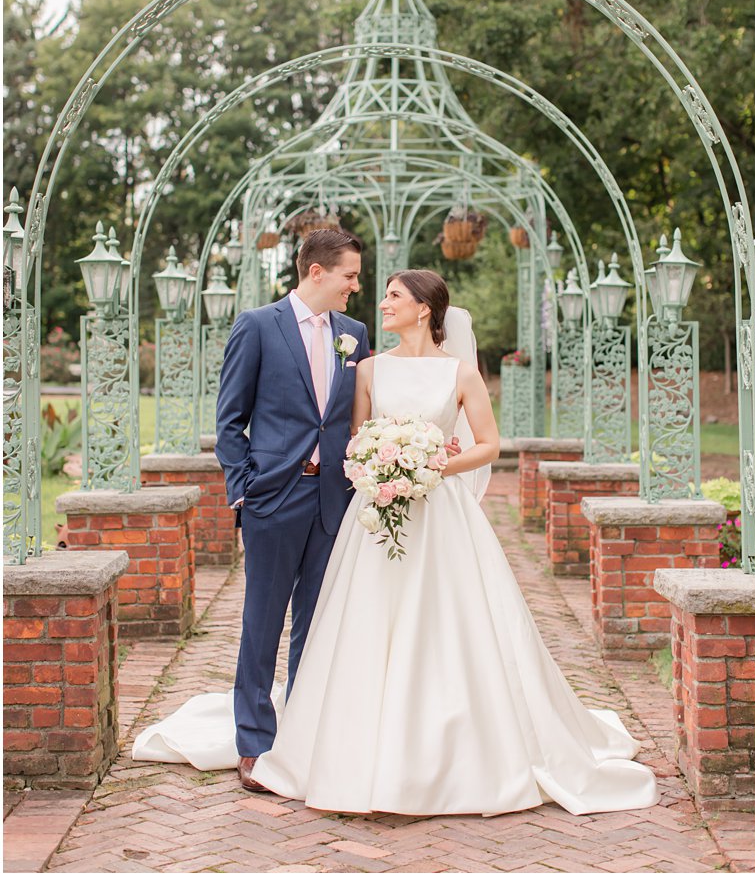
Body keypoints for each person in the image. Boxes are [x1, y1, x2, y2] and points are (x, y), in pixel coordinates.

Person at [136, 269, 659, 817]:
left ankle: (448, 742)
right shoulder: (367, 367)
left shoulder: (461, 373)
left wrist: (432, 466)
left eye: (393, 296)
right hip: (373, 512)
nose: (380, 302)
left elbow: (489, 444)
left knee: (447, 622)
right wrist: (379, 466)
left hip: (441, 515)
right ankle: (339, 736)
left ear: (425, 310)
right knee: (360, 621)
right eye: (377, 291)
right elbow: (354, 440)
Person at [211, 228, 371, 793]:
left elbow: (358, 417)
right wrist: (244, 486)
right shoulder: (258, 326)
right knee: (262, 622)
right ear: (316, 272)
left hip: (335, 497)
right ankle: (254, 742)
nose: (356, 285)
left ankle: (303, 734)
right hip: (274, 496)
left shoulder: (354, 334)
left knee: (317, 621)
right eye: (350, 274)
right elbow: (229, 421)